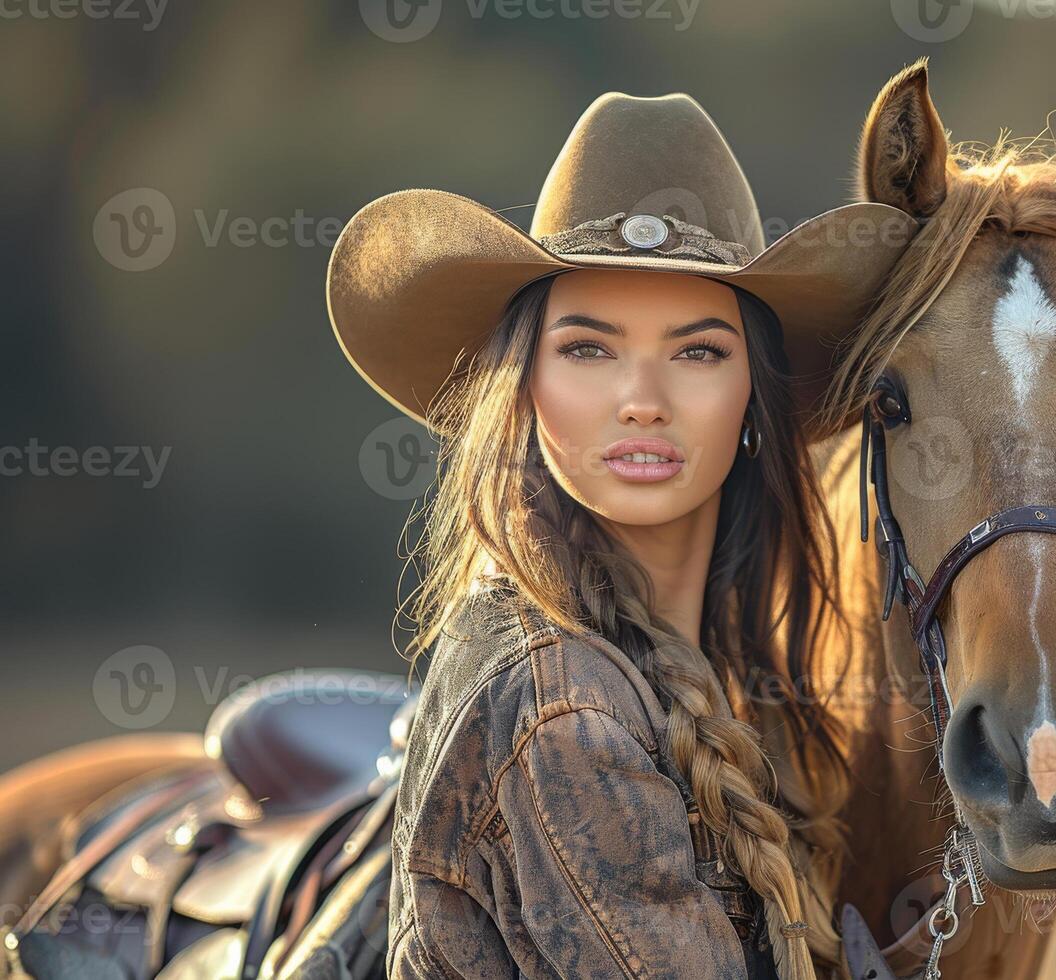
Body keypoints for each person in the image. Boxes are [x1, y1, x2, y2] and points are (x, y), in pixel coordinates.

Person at [326, 91, 914, 978]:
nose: (642, 397)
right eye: (588, 349)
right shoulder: (562, 711)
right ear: (522, 385)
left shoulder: (719, 689)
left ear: (755, 396)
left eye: (698, 351)